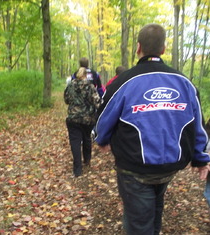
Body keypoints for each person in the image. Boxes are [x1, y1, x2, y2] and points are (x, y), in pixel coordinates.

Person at [95, 23, 210, 235]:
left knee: (139, 222)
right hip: (170, 167)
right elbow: (199, 125)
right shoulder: (185, 82)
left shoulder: (123, 81)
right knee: (154, 209)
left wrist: (101, 140)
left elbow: (102, 119)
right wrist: (200, 158)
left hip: (134, 168)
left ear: (138, 48)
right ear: (163, 49)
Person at [64, 67, 101, 177]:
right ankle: (87, 160)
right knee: (87, 139)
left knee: (75, 142)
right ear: (85, 75)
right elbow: (97, 102)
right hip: (87, 118)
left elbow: (66, 100)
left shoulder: (70, 85)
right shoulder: (90, 86)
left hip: (73, 118)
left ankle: (77, 170)